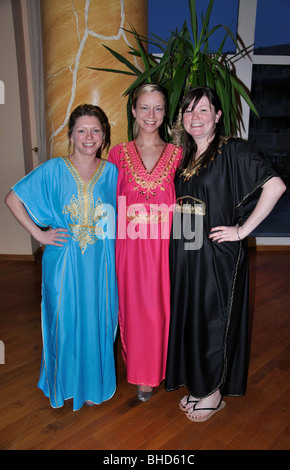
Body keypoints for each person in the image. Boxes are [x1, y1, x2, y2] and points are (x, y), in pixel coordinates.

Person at [165, 86, 286, 422]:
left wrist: (242, 230)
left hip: (218, 255)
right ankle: (199, 383)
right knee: (193, 319)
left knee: (215, 320)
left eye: (203, 110)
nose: (194, 118)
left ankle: (214, 392)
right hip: (187, 252)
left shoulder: (231, 150)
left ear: (218, 116)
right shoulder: (187, 156)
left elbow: (275, 186)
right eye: (189, 111)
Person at [5, 104, 118, 411]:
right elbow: (13, 198)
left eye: (96, 130)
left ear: (104, 135)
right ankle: (64, 383)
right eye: (81, 130)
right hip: (63, 261)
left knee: (97, 319)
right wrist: (40, 235)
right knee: (64, 321)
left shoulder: (111, 173)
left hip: (100, 264)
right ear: (71, 135)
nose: (89, 136)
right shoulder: (53, 169)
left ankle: (93, 384)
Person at [108, 84, 182, 401]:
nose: (150, 115)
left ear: (165, 114)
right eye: (144, 107)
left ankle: (163, 367)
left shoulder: (179, 155)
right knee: (135, 310)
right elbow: (104, 202)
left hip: (165, 249)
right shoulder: (116, 154)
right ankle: (141, 374)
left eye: (158, 108)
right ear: (134, 111)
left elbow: (190, 204)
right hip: (129, 249)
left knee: (161, 309)